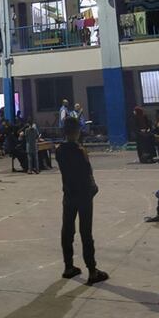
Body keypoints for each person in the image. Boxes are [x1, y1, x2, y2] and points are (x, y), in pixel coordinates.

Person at [56, 116, 108, 285]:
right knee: (86, 232)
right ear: (77, 131)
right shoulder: (80, 151)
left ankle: (68, 267)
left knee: (67, 230)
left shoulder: (59, 150)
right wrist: (94, 189)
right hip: (84, 194)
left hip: (69, 193)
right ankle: (92, 271)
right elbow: (87, 173)